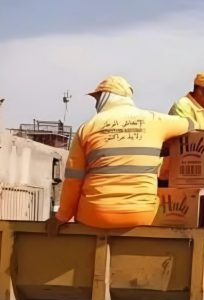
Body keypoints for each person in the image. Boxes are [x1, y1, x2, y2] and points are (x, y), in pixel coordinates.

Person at [45, 76, 194, 234]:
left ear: (105, 96)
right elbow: (190, 124)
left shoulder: (87, 127)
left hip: (95, 215)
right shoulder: (155, 120)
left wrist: (62, 217)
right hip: (141, 214)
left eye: (97, 98)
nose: (96, 104)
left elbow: (73, 180)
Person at [159, 72, 204, 182]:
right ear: (202, 90)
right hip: (178, 174)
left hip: (200, 172)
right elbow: (191, 138)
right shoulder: (182, 106)